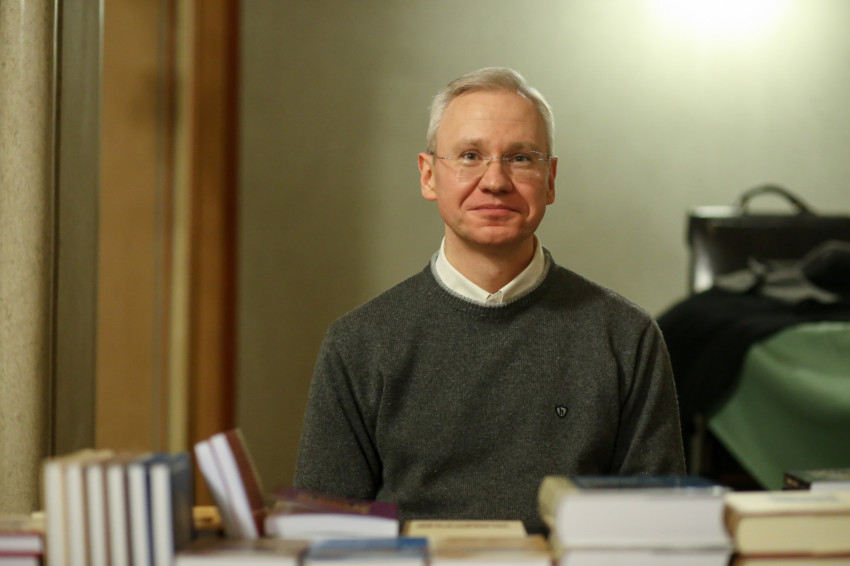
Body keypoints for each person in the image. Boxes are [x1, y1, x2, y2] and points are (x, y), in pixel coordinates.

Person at [293, 67, 685, 533]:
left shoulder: (626, 338)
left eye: (520, 158)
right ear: (428, 175)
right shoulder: (359, 343)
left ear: (550, 179)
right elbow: (327, 536)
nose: (495, 181)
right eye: (470, 156)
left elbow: (662, 534)